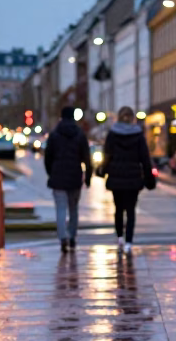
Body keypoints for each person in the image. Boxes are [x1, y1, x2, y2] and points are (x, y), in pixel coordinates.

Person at [101, 106, 153, 254]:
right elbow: (145, 158)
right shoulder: (138, 135)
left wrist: (103, 171)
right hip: (133, 178)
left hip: (116, 177)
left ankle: (120, 237)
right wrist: (149, 178)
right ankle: (129, 241)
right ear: (132, 118)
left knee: (118, 209)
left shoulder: (112, 134)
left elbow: (107, 155)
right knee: (131, 211)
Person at [43, 106, 92, 253]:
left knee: (60, 209)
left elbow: (48, 158)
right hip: (75, 177)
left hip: (58, 177)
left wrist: (51, 173)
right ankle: (72, 236)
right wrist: (88, 177)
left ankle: (62, 237)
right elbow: (87, 158)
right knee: (73, 209)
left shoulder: (54, 135)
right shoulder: (80, 135)